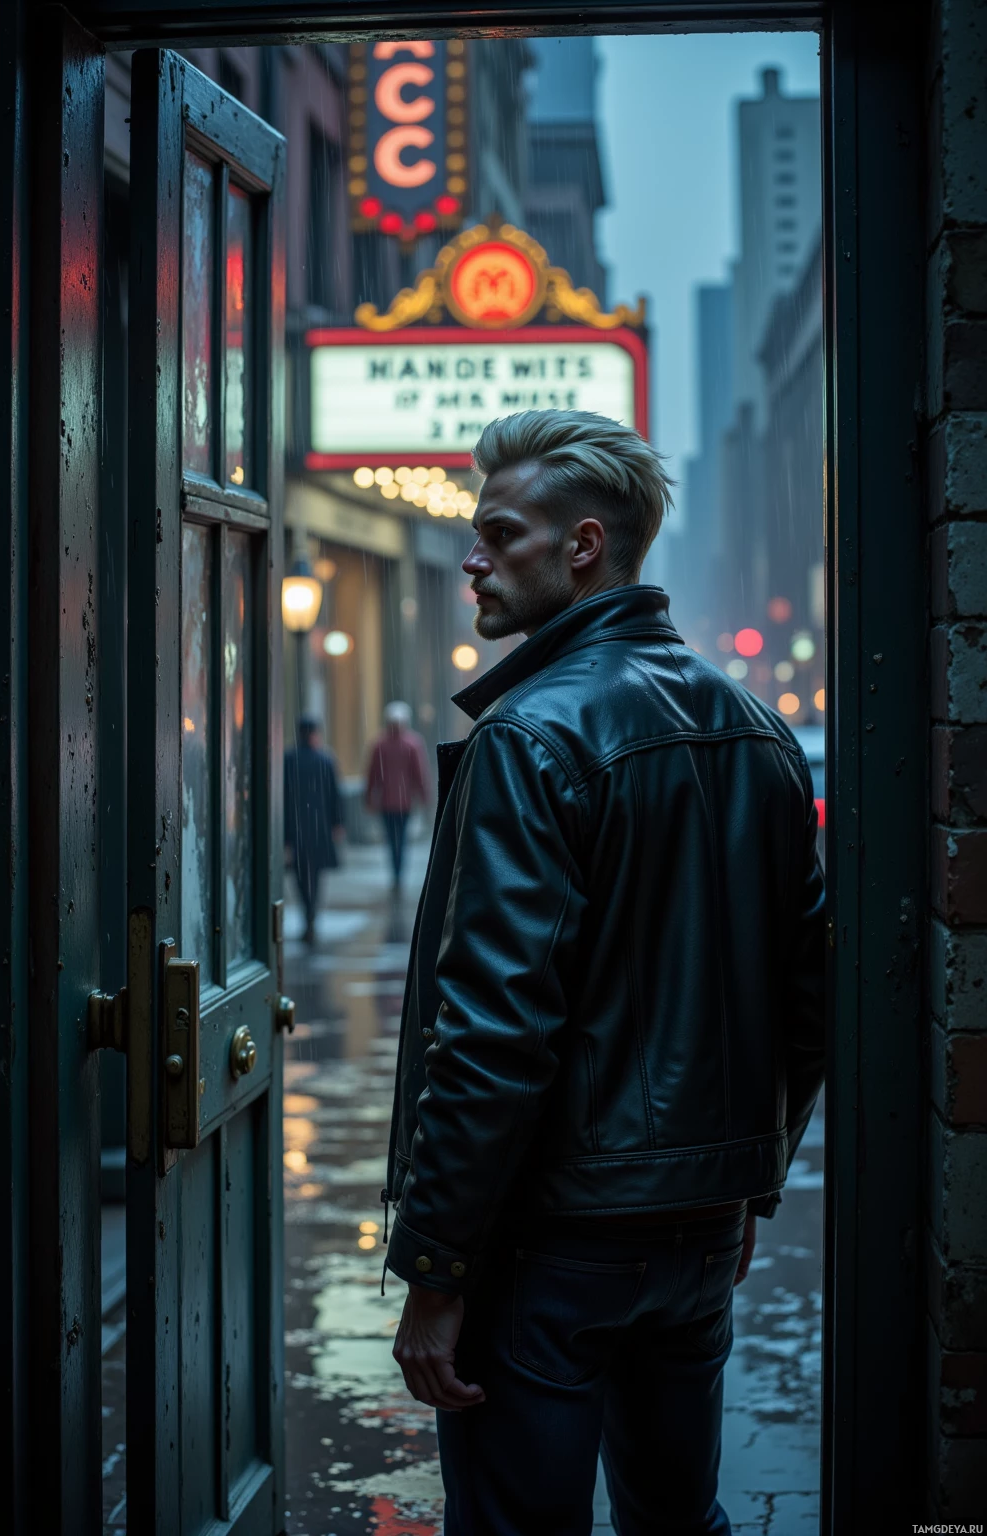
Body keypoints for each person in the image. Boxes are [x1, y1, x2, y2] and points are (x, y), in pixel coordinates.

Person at [383, 410, 825, 1536]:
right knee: (678, 1519)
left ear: (581, 546)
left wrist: (436, 1271)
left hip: (551, 1244)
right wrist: (748, 1186)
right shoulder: (756, 731)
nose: (471, 556)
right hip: (694, 1233)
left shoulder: (528, 738)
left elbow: (490, 1032)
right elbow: (809, 999)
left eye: (497, 532)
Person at [283, 716, 344, 946]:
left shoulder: (289, 760)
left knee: (300, 875)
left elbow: (283, 796)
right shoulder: (325, 760)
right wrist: (337, 823)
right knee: (315, 875)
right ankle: (311, 913)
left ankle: (307, 912)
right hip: (319, 828)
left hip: (295, 828)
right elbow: (334, 795)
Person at [364, 701, 431, 892]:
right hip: (404, 802)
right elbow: (419, 774)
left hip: (387, 802)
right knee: (400, 838)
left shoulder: (379, 744)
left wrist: (370, 798)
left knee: (392, 838)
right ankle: (398, 871)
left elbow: (372, 774)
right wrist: (424, 797)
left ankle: (396, 870)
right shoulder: (413, 743)